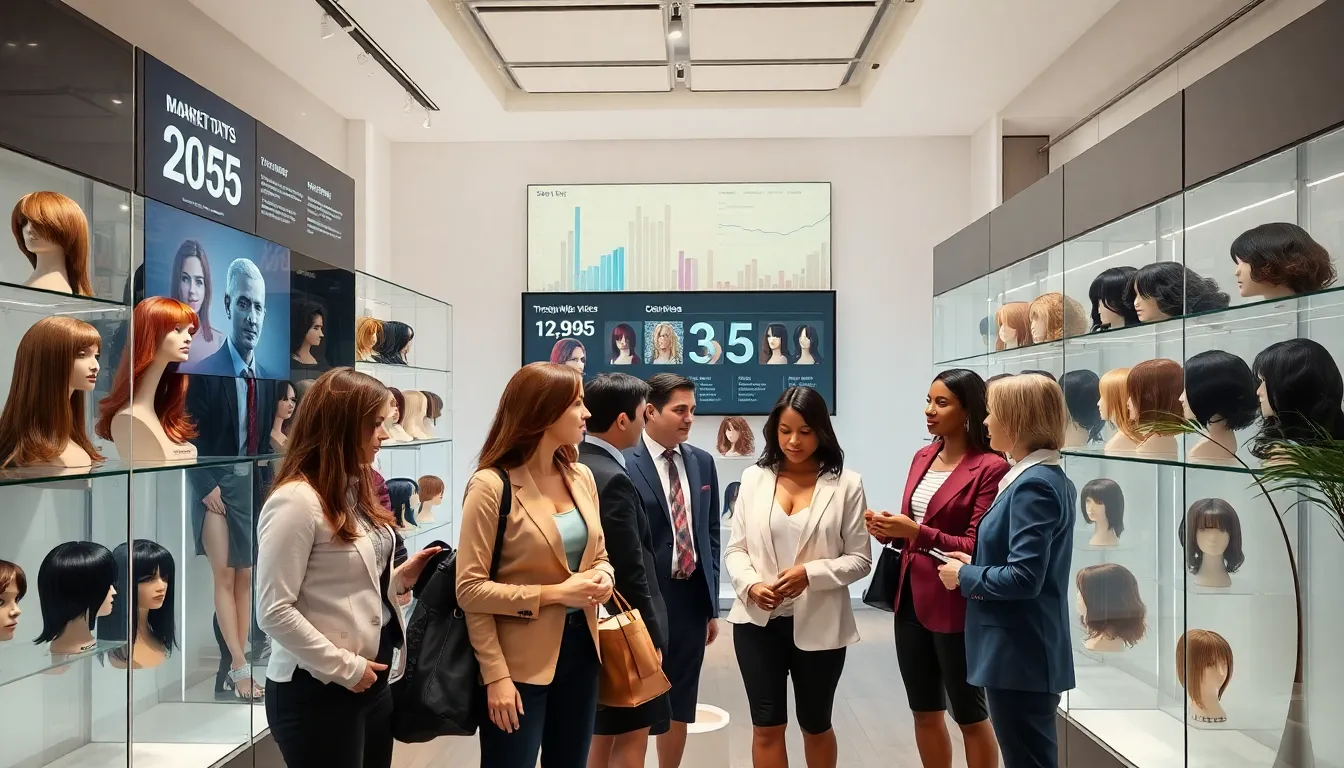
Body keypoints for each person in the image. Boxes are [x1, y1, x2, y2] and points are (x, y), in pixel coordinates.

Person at [255, 367, 441, 768]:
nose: (385, 435)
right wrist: (344, 667)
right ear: (341, 426)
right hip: (318, 688)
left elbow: (347, 581)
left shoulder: (354, 490)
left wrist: (399, 579)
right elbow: (273, 610)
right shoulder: (296, 502)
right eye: (375, 424)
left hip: (369, 681)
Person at [457, 362, 616, 767]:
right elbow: (471, 590)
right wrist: (495, 675)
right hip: (516, 667)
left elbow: (599, 555)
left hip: (582, 653)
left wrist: (603, 576)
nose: (587, 414)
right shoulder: (492, 486)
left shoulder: (580, 477)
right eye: (577, 404)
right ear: (545, 412)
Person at [866, 369, 1007, 768]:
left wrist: (917, 531)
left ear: (968, 410)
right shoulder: (923, 456)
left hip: (955, 600)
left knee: (969, 712)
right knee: (924, 709)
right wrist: (891, 531)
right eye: (928, 400)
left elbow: (976, 545)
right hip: (909, 597)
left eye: (941, 402)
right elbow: (915, 526)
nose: (929, 411)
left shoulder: (990, 467)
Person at [725, 386, 871, 768]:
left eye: (805, 431)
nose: (793, 440)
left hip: (820, 624)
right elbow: (736, 549)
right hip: (757, 624)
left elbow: (860, 559)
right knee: (766, 727)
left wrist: (812, 573)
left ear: (822, 431)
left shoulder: (846, 484)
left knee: (816, 724)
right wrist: (751, 585)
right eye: (785, 429)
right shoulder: (754, 478)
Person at [935, 373, 1076, 768]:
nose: (985, 422)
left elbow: (1024, 578)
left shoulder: (1036, 486)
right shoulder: (1037, 479)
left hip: (1021, 656)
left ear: (1016, 421)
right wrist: (975, 562)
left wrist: (964, 577)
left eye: (992, 413)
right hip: (1021, 654)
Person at [624, 373, 721, 768]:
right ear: (650, 411)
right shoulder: (625, 461)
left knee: (681, 701)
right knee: (633, 704)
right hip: (641, 601)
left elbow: (708, 534)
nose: (689, 418)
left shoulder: (702, 462)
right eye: (680, 410)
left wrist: (711, 604)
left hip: (689, 600)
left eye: (693, 410)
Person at [577, 373, 672, 768]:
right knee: (632, 738)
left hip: (589, 622)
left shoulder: (578, 464)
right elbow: (630, 567)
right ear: (622, 420)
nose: (644, 422)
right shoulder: (612, 477)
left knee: (600, 735)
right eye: (640, 414)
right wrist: (649, 635)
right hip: (623, 629)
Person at [195, 258, 277, 379]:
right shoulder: (202, 372)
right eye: (243, 304)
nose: (252, 319)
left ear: (264, 315)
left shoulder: (269, 379)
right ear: (228, 305)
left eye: (258, 307)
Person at [171, 239, 223, 361]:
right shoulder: (161, 338)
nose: (192, 290)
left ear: (206, 288)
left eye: (199, 281)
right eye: (185, 279)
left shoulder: (220, 343)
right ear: (176, 282)